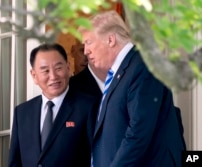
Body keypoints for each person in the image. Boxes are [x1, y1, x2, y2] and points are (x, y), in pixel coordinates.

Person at [79, 10, 186, 167]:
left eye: (88, 42)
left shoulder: (143, 65)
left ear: (110, 39)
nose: (86, 51)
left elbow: (139, 131)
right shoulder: (123, 71)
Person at [8, 43, 99, 167]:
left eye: (58, 68)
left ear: (68, 67)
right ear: (34, 76)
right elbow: (15, 162)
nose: (53, 76)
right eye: (45, 70)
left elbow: (98, 157)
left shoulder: (88, 107)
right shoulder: (22, 112)